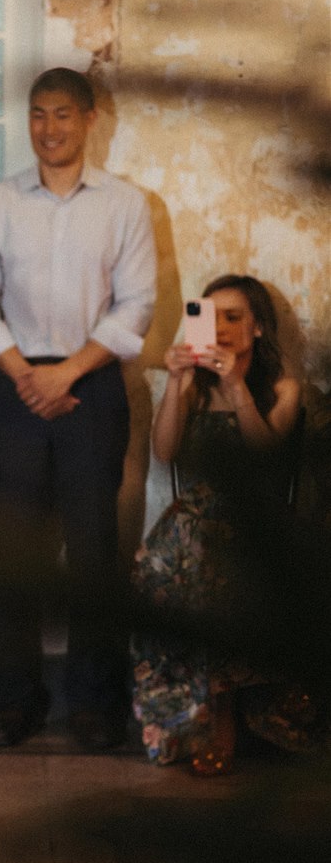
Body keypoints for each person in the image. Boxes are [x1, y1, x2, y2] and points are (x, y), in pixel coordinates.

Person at [0, 67, 157, 750]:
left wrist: (67, 371)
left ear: (89, 119)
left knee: (93, 553)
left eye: (63, 115)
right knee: (12, 553)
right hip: (15, 387)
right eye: (38, 115)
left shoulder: (124, 204)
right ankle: (14, 702)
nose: (49, 128)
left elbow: (136, 303)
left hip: (91, 387)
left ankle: (93, 705)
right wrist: (25, 374)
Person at [132, 275, 311, 774]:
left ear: (257, 328)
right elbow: (164, 452)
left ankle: (224, 715)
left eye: (235, 316)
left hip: (256, 525)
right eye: (213, 316)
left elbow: (264, 455)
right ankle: (194, 714)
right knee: (163, 569)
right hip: (193, 524)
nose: (224, 327)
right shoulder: (195, 387)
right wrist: (174, 382)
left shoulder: (284, 387)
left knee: (222, 573)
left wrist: (235, 388)